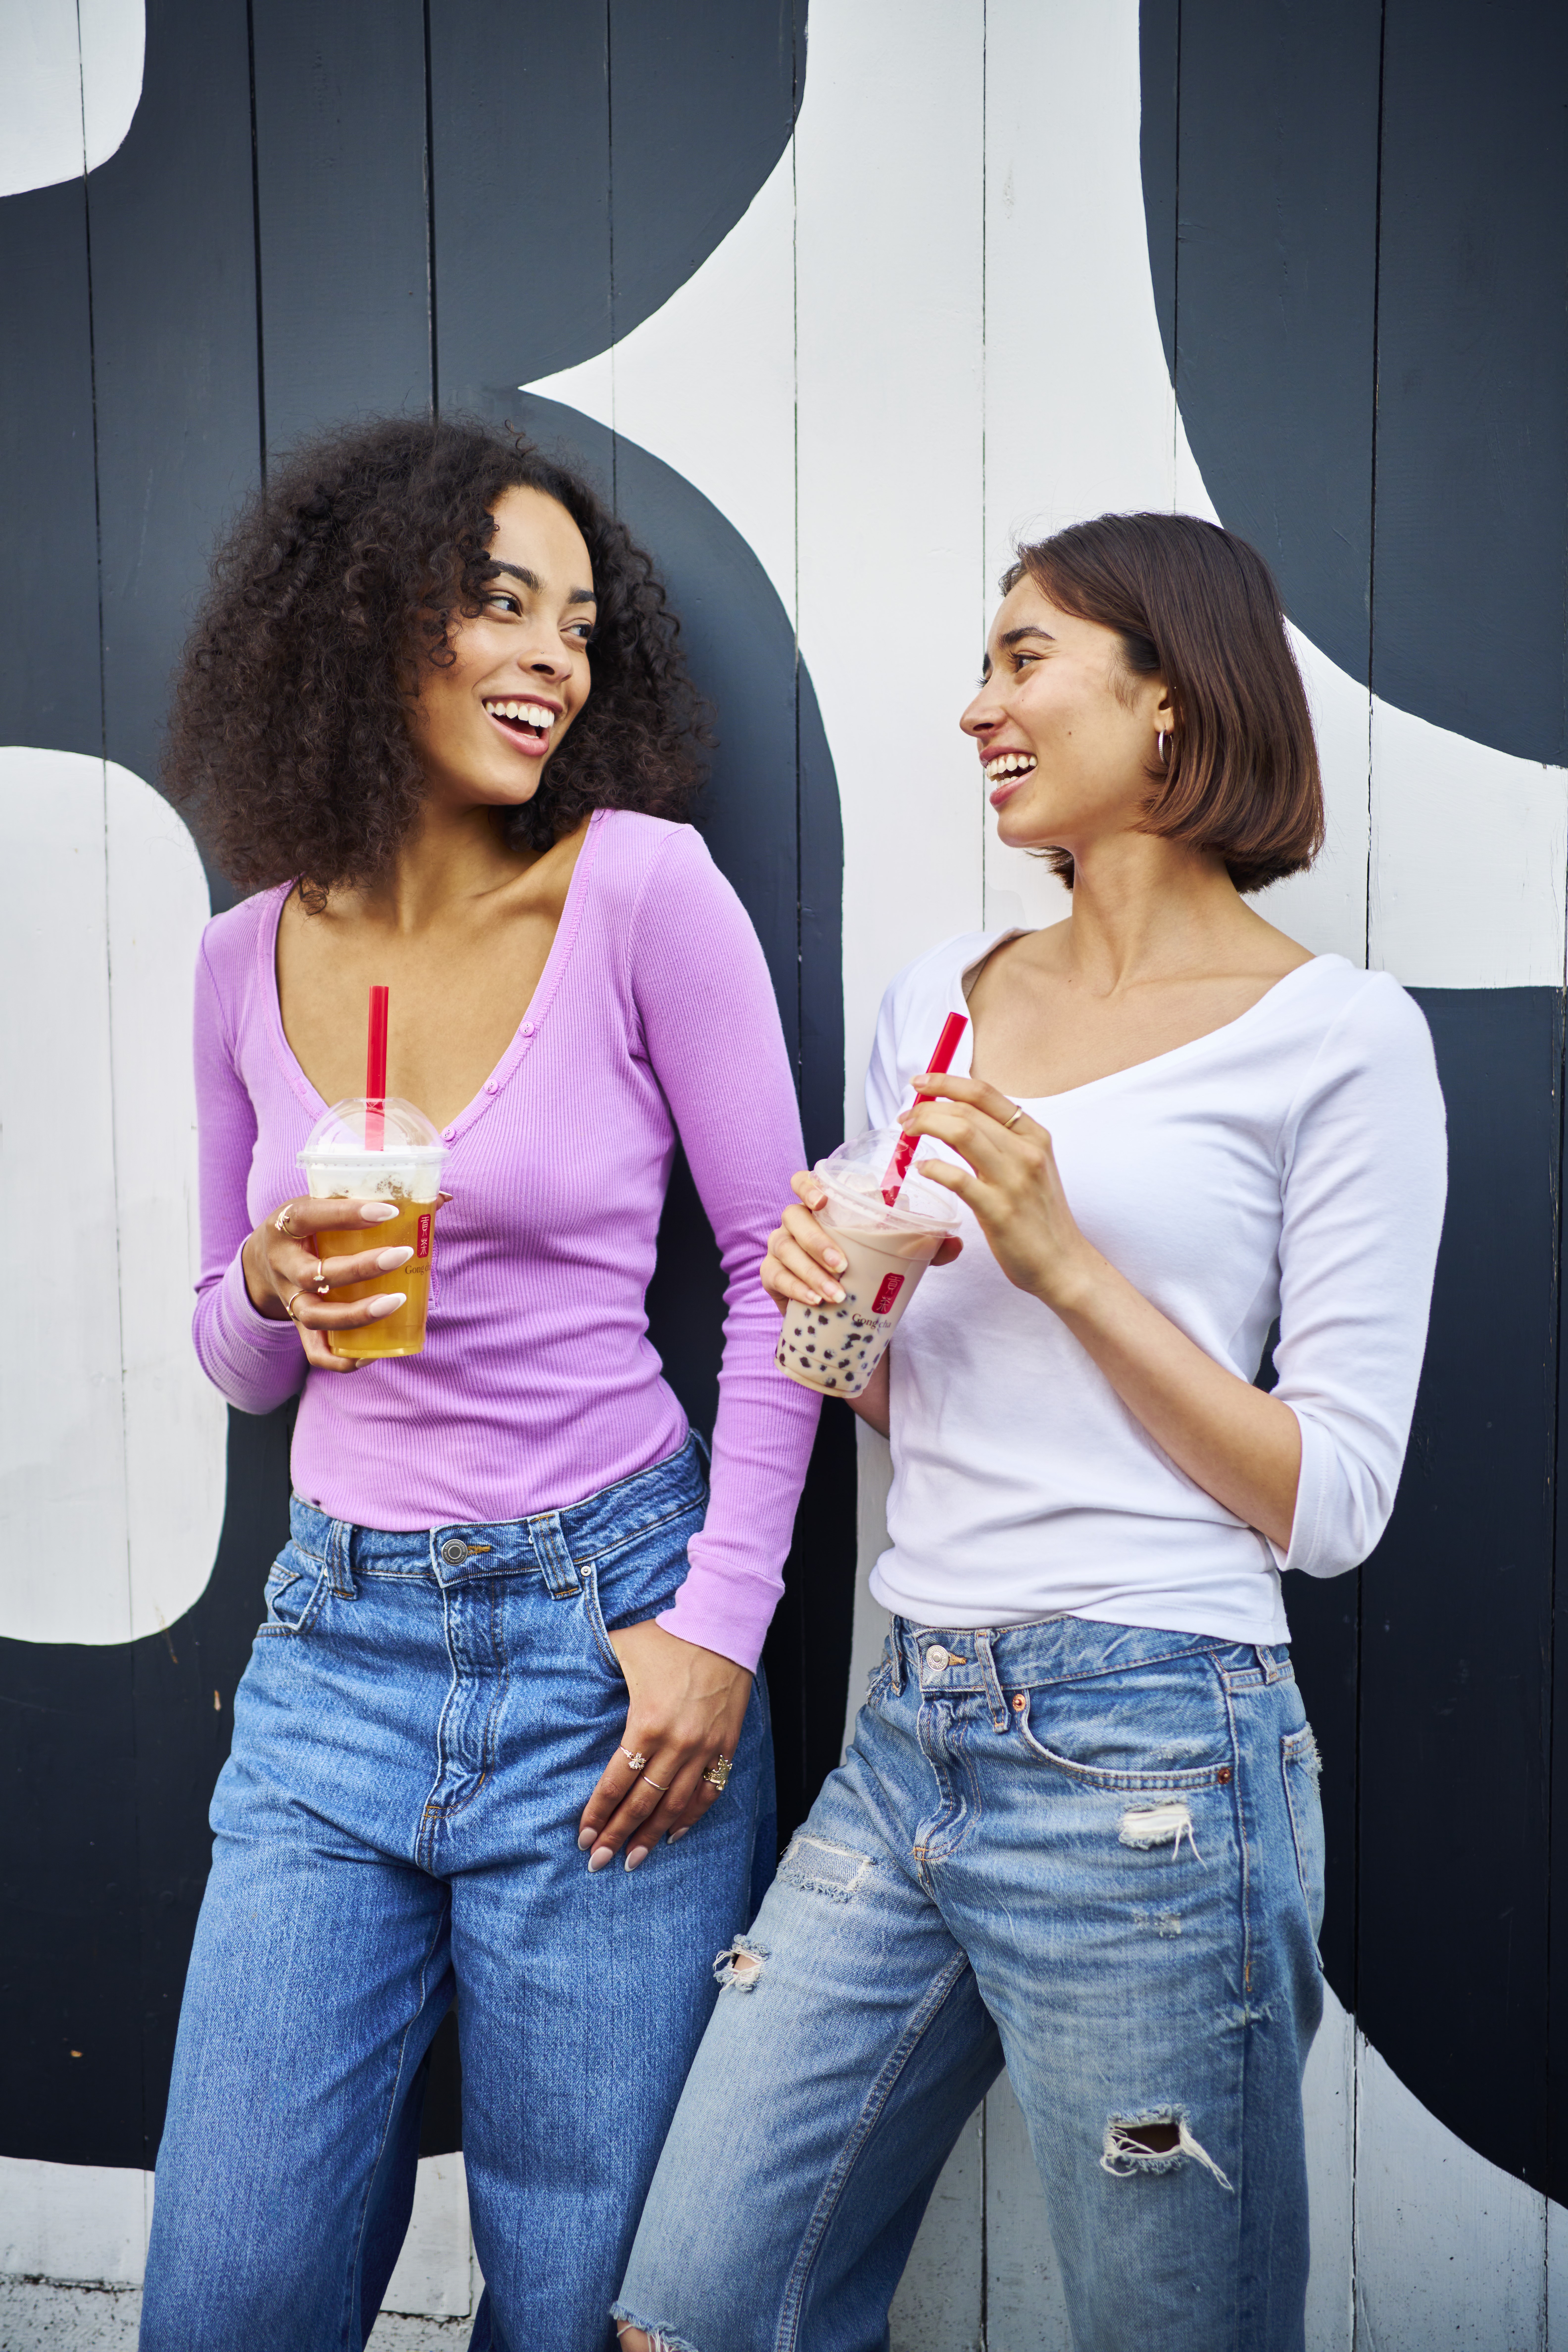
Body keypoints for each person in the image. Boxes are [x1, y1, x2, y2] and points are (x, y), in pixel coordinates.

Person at [613, 512, 1447, 2352]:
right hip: (913, 1725)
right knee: (691, 2310)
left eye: (1024, 658)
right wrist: (825, 1301)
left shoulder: (1341, 1040)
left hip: (1159, 1754)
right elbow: (892, 1386)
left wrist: (1067, 1263)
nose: (977, 706)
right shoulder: (946, 998)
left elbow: (1333, 1502)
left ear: (1171, 701)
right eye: (982, 665)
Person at [138, 417, 819, 2352]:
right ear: (364, 623)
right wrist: (267, 1284)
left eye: (580, 625)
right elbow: (233, 1358)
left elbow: (781, 1276)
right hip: (330, 1656)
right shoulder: (243, 958)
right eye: (499, 605)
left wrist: (720, 1631)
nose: (550, 659)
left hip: (606, 1653)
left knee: (583, 2302)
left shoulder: (644, 893)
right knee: (227, 2296)